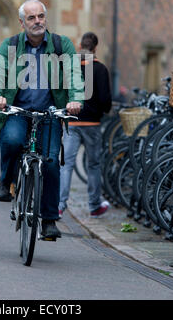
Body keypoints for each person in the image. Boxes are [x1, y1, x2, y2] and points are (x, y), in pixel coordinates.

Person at [0, 0, 83, 239]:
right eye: (31, 18)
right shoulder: (9, 46)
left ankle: (49, 220)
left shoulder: (62, 45)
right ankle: (6, 179)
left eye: (40, 16)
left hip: (50, 113)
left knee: (50, 162)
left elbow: (74, 75)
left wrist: (76, 100)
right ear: (22, 23)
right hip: (18, 110)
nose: (37, 21)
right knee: (11, 140)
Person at [59, 32, 112, 218]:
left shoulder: (70, 67)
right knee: (94, 165)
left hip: (71, 122)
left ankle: (59, 204)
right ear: (95, 48)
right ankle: (94, 205)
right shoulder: (100, 69)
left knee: (66, 165)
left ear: (80, 45)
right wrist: (103, 109)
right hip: (92, 123)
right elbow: (106, 100)